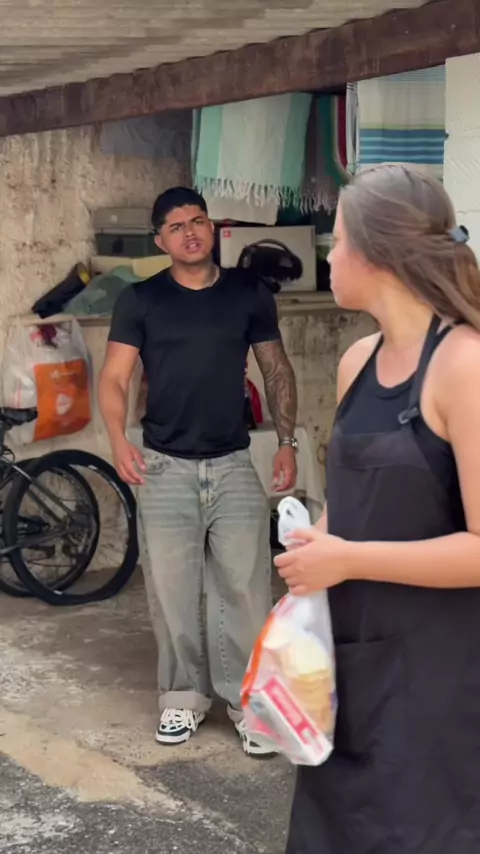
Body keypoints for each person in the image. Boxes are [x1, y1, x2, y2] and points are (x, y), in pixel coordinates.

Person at [275, 164, 480, 853]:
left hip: (440, 679)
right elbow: (352, 500)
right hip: (351, 668)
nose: (329, 257)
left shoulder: (465, 365)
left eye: (336, 241)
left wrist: (348, 559)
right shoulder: (357, 361)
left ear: (376, 254)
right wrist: (315, 549)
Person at [99, 187, 298, 755]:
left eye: (199, 221)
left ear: (212, 228)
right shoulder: (140, 300)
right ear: (160, 240)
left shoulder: (248, 292)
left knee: (247, 590)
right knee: (172, 591)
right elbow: (114, 377)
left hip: (233, 461)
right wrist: (117, 438)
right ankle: (182, 699)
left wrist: (286, 442)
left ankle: (248, 705)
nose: (190, 232)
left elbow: (276, 369)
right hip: (164, 466)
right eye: (177, 226)